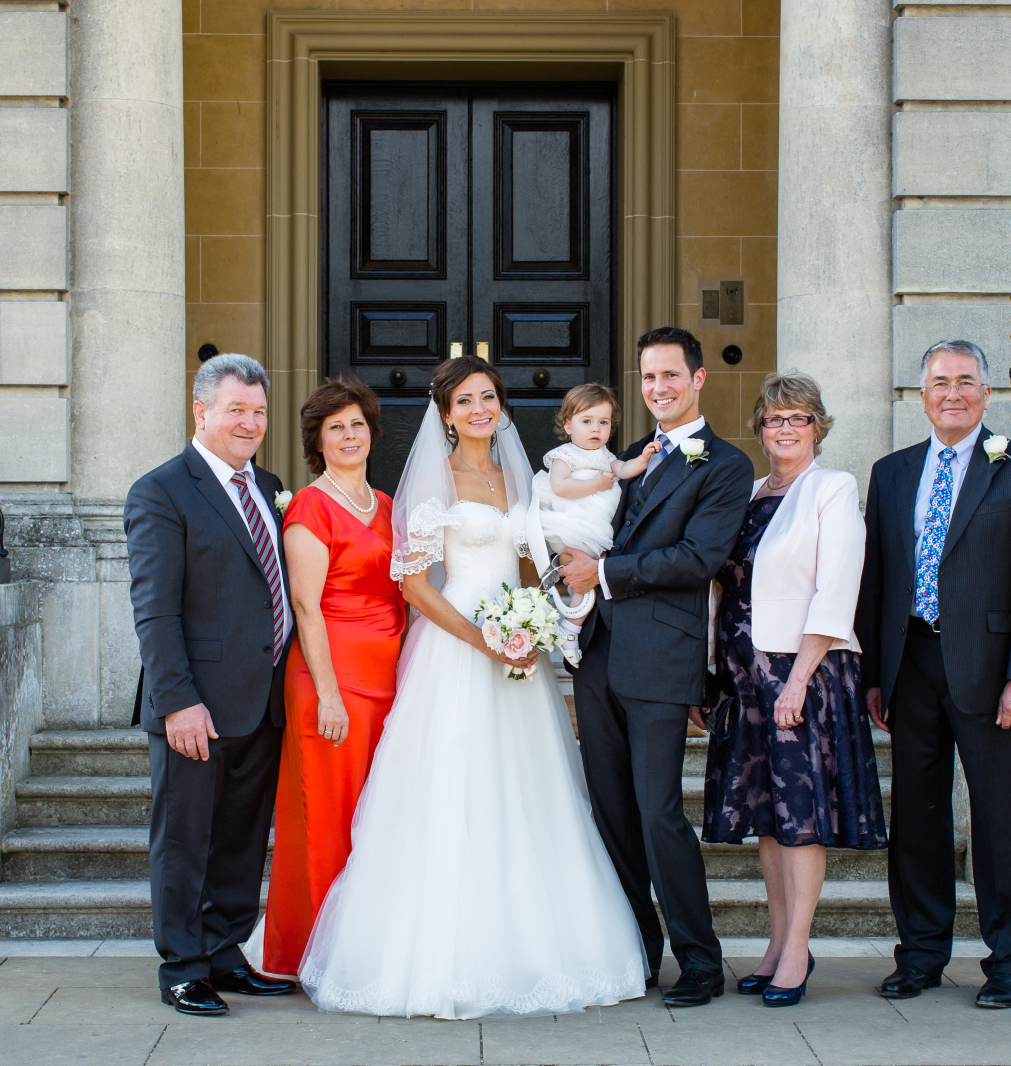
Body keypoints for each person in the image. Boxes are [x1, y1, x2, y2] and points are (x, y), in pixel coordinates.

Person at [298, 355, 649, 1019]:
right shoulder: (435, 480)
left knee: (529, 787)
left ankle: (538, 946)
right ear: (446, 414)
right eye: (464, 401)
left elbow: (528, 566)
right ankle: (439, 957)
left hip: (515, 649)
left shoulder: (523, 479)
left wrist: (533, 623)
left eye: (487, 397)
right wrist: (481, 638)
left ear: (502, 405)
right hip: (455, 648)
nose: (479, 409)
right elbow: (415, 588)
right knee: (453, 784)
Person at [856, 339, 1011, 1010]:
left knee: (1001, 819)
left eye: (965, 381)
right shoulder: (891, 473)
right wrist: (874, 672)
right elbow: (876, 579)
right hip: (911, 664)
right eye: (941, 382)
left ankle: (1010, 962)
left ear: (986, 393)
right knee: (917, 818)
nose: (953, 393)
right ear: (922, 396)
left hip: (992, 671)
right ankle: (920, 954)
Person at [560, 326, 756, 1008]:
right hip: (599, 656)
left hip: (663, 660)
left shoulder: (726, 466)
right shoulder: (623, 459)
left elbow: (699, 558)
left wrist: (603, 571)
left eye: (671, 374)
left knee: (659, 811)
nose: (659, 387)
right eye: (648, 377)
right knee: (612, 813)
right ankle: (635, 954)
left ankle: (700, 959)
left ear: (697, 378)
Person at [698, 373, 886, 1008]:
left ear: (817, 427)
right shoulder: (752, 492)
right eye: (774, 418)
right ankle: (776, 945)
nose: (785, 428)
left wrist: (799, 680)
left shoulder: (832, 488)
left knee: (800, 818)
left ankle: (798, 950)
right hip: (744, 674)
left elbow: (837, 589)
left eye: (798, 418)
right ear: (760, 427)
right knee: (769, 820)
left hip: (802, 673)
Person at [123, 353, 299, 1017]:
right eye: (236, 410)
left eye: (258, 411)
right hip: (195, 704)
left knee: (242, 840)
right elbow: (154, 610)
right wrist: (177, 702)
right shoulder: (161, 491)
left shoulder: (269, 487)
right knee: (184, 839)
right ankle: (182, 967)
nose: (250, 422)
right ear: (201, 412)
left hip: (262, 700)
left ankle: (225, 953)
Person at [249, 374, 404, 979]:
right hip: (332, 680)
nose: (348, 435)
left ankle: (370, 946)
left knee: (377, 817)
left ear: (372, 432)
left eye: (357, 424)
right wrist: (330, 696)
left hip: (389, 680)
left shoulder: (386, 505)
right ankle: (321, 957)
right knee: (330, 820)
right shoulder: (311, 506)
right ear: (317, 440)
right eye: (335, 427)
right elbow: (305, 606)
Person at [531, 383, 659, 663]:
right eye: (586, 421)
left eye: (603, 422)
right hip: (571, 523)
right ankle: (570, 629)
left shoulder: (605, 456)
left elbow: (624, 469)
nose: (596, 429)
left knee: (593, 570)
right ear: (568, 425)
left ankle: (570, 625)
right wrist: (597, 485)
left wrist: (644, 458)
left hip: (593, 528)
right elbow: (560, 486)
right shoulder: (564, 455)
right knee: (589, 569)